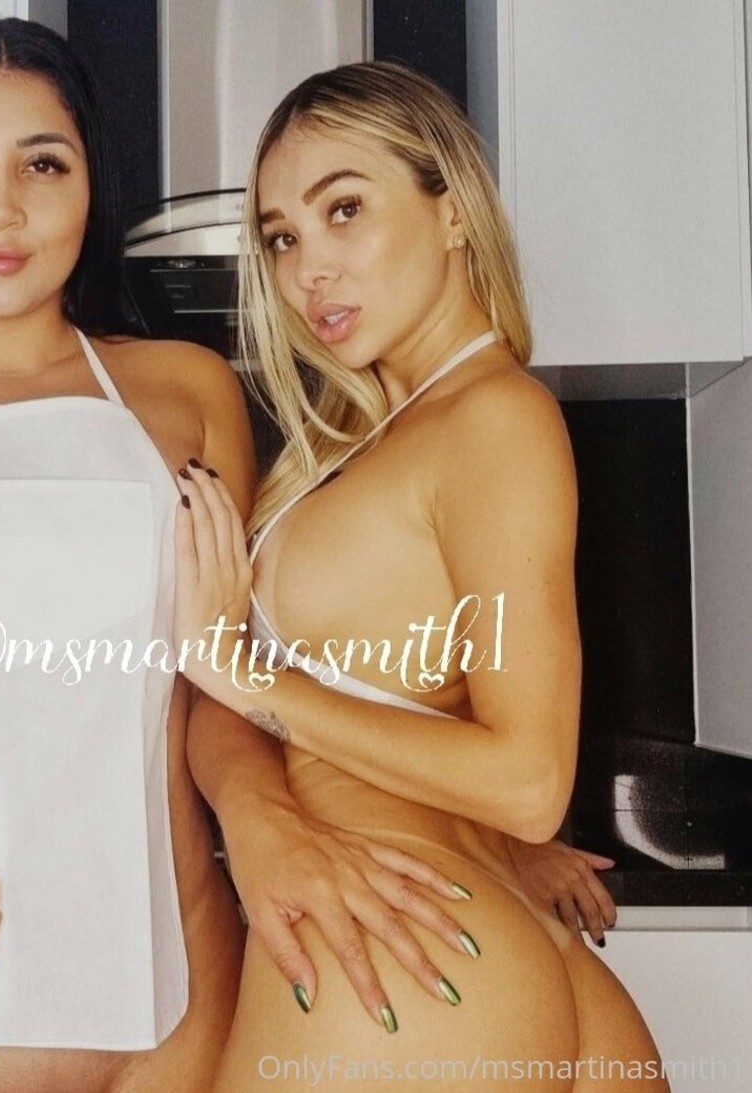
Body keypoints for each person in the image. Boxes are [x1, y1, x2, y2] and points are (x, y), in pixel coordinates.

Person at [0, 20, 479, 1093]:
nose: (0, 207)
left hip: (171, 992)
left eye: (43, 163)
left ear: (92, 188)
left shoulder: (189, 391)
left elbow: (223, 676)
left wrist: (266, 820)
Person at [175, 62, 669, 1091]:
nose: (310, 270)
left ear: (452, 211)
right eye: (281, 238)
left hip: (398, 957)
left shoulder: (494, 417)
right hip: (454, 927)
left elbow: (529, 781)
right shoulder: (377, 439)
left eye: (344, 209)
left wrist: (245, 675)